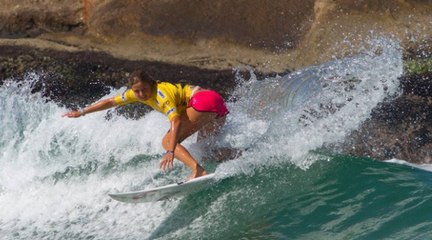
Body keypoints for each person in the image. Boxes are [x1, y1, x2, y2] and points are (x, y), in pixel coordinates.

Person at [63, 70, 229, 180]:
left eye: (144, 90)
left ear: (152, 84)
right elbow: (111, 101)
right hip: (216, 102)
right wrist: (82, 111)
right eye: (137, 91)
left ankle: (198, 171)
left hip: (202, 102)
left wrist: (171, 150)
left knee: (167, 141)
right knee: (207, 151)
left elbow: (176, 120)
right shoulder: (136, 93)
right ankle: (246, 155)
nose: (141, 94)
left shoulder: (161, 95)